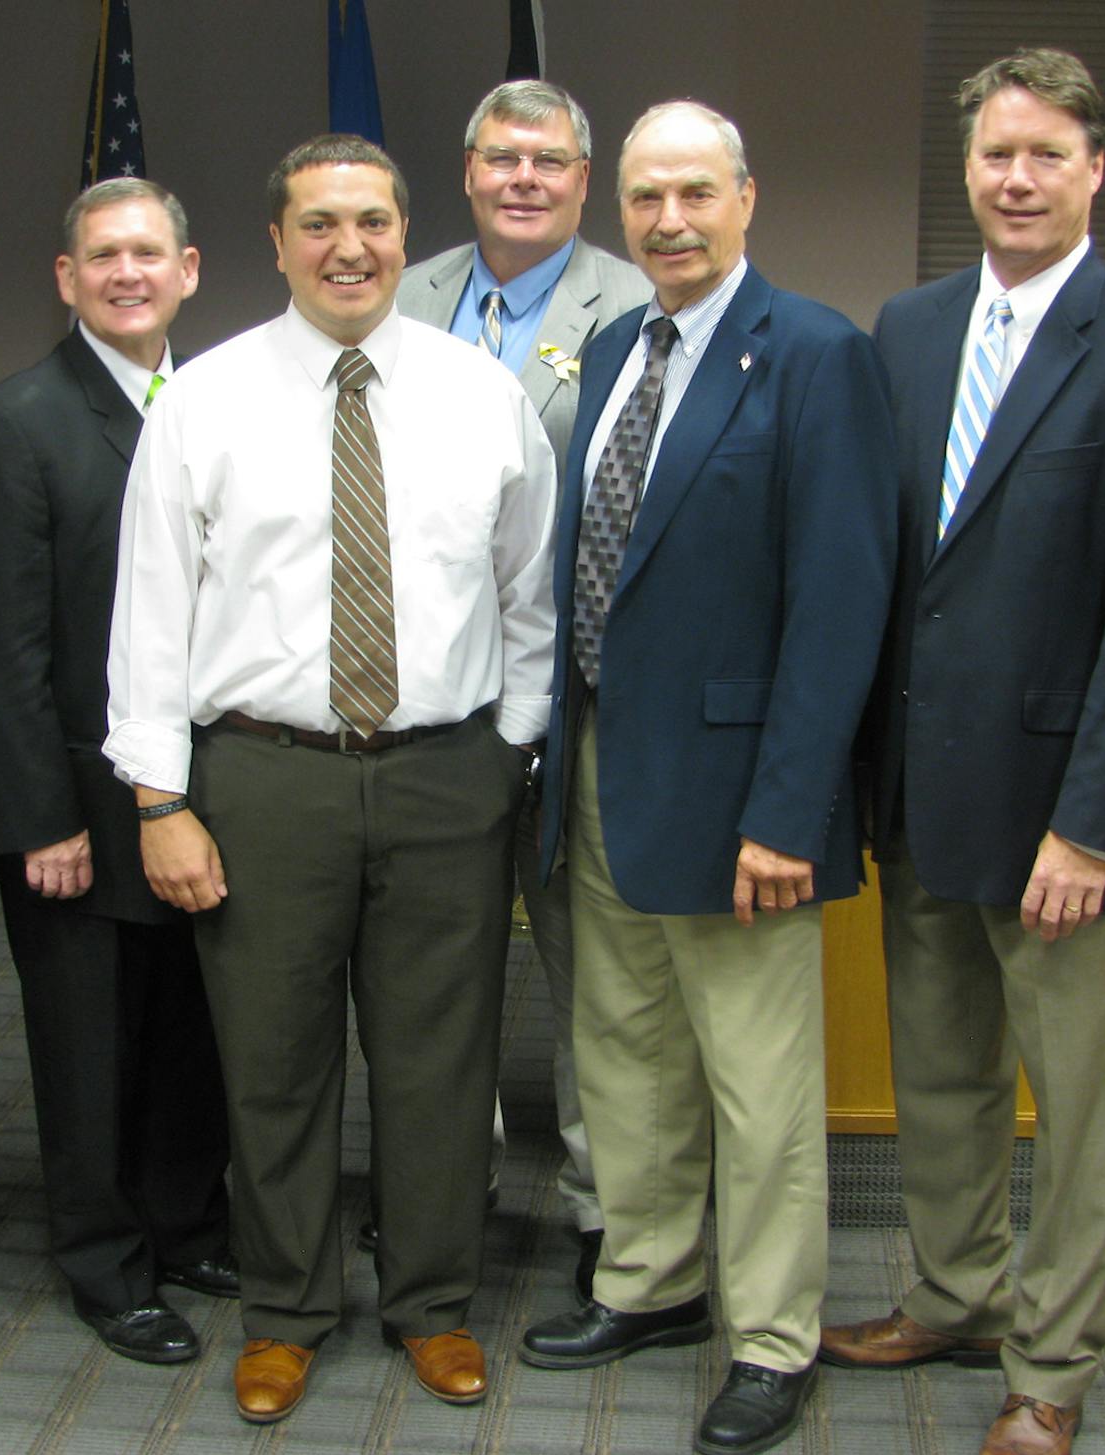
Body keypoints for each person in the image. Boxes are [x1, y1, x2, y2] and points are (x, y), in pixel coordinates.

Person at [821, 48, 1105, 1455]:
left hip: (1062, 821)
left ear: (1096, 170)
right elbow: (893, 573)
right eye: (996, 154)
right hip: (921, 797)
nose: (1017, 179)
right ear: (968, 167)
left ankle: (1050, 1368)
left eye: (1046, 155)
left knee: (1074, 1107)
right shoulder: (910, 328)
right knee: (942, 1076)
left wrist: (1095, 825)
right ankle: (955, 1295)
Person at [104, 134, 556, 1424]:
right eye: (318, 224)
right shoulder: (203, 401)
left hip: (447, 778)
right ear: (276, 242)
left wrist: (510, 750)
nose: (347, 248)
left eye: (372, 222)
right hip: (266, 777)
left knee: (440, 1061)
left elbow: (530, 593)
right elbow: (150, 614)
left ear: (407, 234)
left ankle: (432, 1303)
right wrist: (160, 800)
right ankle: (287, 1311)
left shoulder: (484, 396)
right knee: (274, 1060)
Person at [517, 102, 897, 1455]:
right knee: (622, 1048)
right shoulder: (617, 342)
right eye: (646, 197)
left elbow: (841, 602)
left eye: (694, 192)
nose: (669, 219)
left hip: (742, 796)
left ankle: (773, 1336)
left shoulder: (818, 354)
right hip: (601, 766)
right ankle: (651, 1280)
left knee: (758, 1080)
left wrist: (790, 808)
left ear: (747, 197)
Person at [0, 177, 234, 1368]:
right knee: (87, 1049)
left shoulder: (218, 405)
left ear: (189, 270)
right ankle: (106, 1263)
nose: (128, 274)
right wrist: (39, 818)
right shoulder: (15, 424)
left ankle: (187, 1223)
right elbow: (1, 645)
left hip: (206, 797)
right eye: (103, 256)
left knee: (188, 1030)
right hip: (77, 808)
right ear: (67, 278)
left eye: (148, 253)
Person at [393, 78, 650, 1297]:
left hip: (583, 695)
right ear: (468, 170)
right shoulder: (398, 293)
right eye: (502, 157)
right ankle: (452, 1187)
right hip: (424, 700)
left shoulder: (639, 304)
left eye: (548, 161)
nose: (523, 178)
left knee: (590, 972)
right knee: (434, 970)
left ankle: (612, 1207)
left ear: (583, 181)